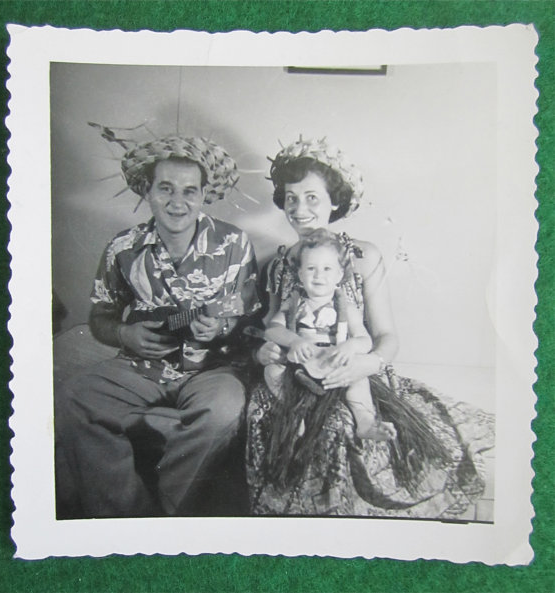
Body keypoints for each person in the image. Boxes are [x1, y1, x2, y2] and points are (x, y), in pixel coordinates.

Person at [246, 137, 494, 517]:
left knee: (343, 424)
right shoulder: (279, 265)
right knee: (275, 418)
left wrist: (369, 362)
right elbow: (273, 329)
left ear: (334, 200)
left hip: (353, 369)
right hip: (299, 373)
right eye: (291, 198)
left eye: (312, 197)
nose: (299, 208)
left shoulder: (363, 257)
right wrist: (269, 349)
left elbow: (387, 337)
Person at [55, 134, 259, 518]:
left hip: (210, 370)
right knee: (73, 397)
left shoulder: (233, 243)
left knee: (224, 411)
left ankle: (167, 517)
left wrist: (219, 329)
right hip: (139, 368)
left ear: (203, 196)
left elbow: (248, 317)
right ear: (146, 192)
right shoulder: (123, 247)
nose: (177, 202)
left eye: (189, 191)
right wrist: (124, 333)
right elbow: (100, 316)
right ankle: (125, 515)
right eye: (165, 189)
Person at [263, 228, 396, 441]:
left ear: (339, 275)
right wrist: (294, 341)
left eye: (327, 269)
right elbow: (273, 329)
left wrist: (349, 347)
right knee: (272, 371)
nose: (319, 276)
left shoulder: (346, 306)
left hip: (336, 368)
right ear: (299, 274)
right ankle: (294, 412)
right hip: (300, 367)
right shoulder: (293, 303)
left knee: (360, 382)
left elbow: (364, 340)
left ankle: (365, 422)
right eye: (311, 268)